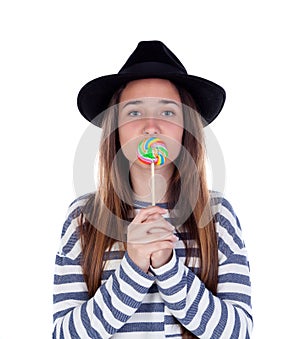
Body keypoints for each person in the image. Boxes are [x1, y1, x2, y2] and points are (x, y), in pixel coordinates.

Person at [53, 41, 252, 338]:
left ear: (187, 128)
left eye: (168, 113)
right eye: (134, 113)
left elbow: (238, 332)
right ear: (115, 129)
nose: (151, 126)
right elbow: (65, 335)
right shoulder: (83, 216)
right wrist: (133, 265)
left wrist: (167, 267)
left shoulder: (217, 215)